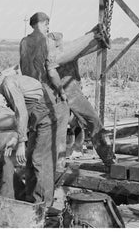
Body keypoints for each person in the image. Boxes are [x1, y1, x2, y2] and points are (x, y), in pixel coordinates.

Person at [20, 12, 115, 169]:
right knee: (79, 125)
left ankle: (105, 158)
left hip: (59, 94)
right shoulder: (51, 52)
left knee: (86, 123)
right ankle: (58, 165)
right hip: (61, 94)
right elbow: (51, 72)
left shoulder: (54, 51)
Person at [0, 64, 57, 207]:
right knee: (30, 160)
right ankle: (30, 198)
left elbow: (22, 112)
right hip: (36, 119)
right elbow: (22, 113)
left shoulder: (8, 84)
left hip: (45, 119)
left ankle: (43, 205)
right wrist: (16, 137)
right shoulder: (6, 84)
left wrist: (21, 143)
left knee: (38, 160)